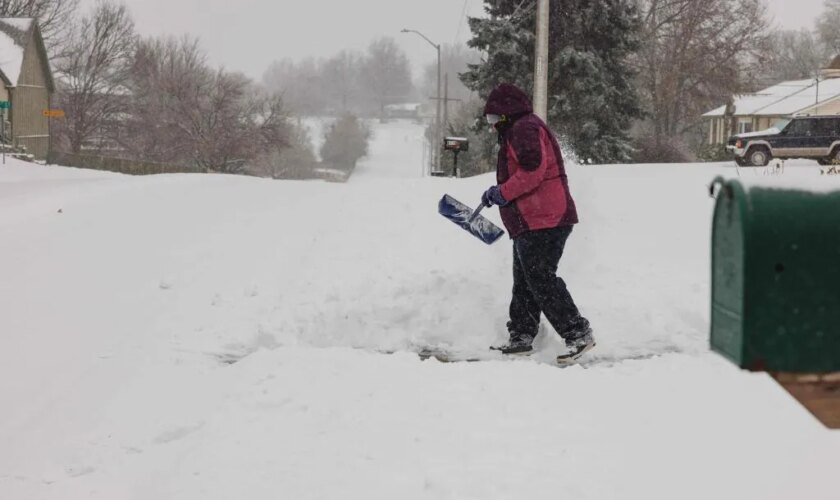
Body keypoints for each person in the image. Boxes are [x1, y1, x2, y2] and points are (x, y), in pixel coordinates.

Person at [480, 83, 594, 363]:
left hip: (547, 217)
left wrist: (502, 192)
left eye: (495, 119)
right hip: (533, 219)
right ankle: (521, 335)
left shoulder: (524, 129)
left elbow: (532, 171)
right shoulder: (518, 129)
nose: (492, 125)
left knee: (540, 278)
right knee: (525, 279)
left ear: (507, 114)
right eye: (489, 120)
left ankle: (577, 332)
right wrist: (499, 193)